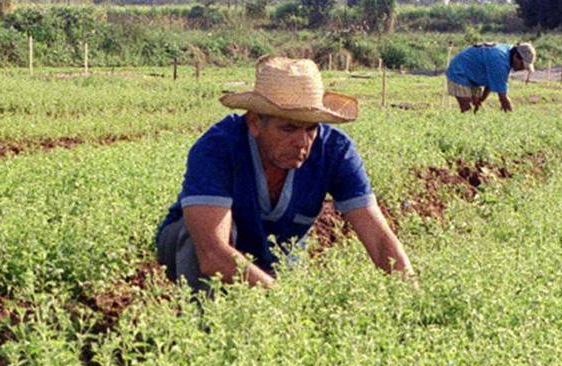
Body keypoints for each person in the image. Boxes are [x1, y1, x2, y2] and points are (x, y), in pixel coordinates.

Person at [155, 56, 414, 292]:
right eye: (288, 128)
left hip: (275, 259)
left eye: (311, 129)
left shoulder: (335, 151)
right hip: (197, 250)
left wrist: (413, 299)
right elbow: (212, 253)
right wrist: (282, 300)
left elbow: (380, 241)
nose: (302, 142)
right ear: (255, 122)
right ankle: (205, 328)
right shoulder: (218, 148)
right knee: (196, 238)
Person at [444, 42, 536, 113]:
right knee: (467, 108)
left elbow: (492, 80)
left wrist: (482, 99)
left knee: (476, 105)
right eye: (522, 65)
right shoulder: (500, 61)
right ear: (516, 57)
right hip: (459, 71)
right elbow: (503, 99)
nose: (522, 69)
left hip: (474, 75)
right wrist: (511, 118)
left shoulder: (509, 53)